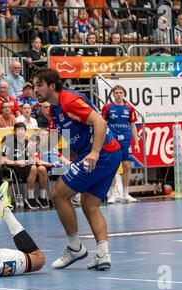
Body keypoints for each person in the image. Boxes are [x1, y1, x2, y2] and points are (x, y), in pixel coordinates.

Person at [34, 68, 121, 270]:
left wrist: (95, 153)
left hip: (101, 153)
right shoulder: (54, 110)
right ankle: (103, 253)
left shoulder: (69, 101)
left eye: (39, 85)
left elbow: (99, 121)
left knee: (58, 194)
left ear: (52, 86)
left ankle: (75, 247)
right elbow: (66, 140)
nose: (35, 90)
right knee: (90, 203)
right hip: (108, 152)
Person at [101, 85, 140, 203]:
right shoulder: (107, 108)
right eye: (116, 93)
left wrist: (136, 143)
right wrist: (102, 139)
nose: (118, 95)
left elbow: (133, 126)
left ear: (124, 94)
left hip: (126, 141)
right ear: (113, 94)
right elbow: (102, 124)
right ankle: (112, 194)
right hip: (112, 140)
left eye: (120, 93)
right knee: (112, 166)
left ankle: (125, 194)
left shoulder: (129, 108)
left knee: (127, 166)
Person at [1, 122, 48, 209]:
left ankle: (42, 197)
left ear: (25, 131)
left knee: (42, 169)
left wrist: (32, 156)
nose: (20, 132)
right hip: (14, 167)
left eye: (22, 130)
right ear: (14, 131)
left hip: (26, 165)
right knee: (33, 168)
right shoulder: (8, 141)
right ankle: (30, 198)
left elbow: (33, 158)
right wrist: (17, 162)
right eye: (18, 130)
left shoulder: (27, 142)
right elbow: (3, 160)